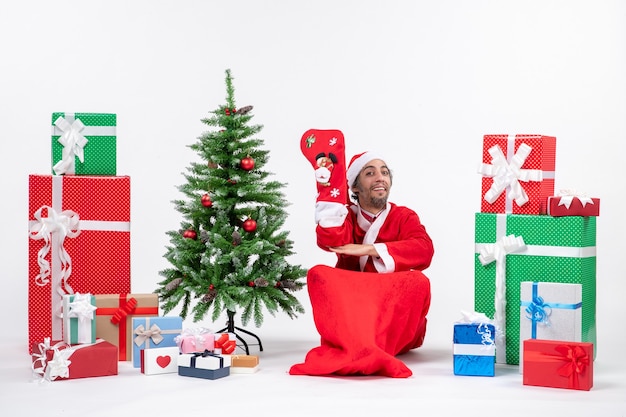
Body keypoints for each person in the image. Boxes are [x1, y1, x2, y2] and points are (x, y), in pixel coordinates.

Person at [290, 129, 434, 378]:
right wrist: (331, 200)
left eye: (385, 172)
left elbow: (424, 250)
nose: (380, 178)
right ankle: (363, 347)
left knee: (418, 281)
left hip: (389, 307)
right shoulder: (345, 215)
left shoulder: (404, 216)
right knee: (318, 274)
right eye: (370, 173)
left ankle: (368, 347)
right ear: (355, 187)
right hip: (354, 301)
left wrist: (371, 249)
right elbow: (329, 240)